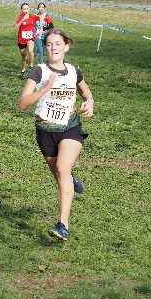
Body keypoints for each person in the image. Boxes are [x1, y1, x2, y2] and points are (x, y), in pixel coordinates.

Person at [19, 28, 93, 241]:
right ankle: (70, 178)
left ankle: (63, 225)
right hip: (45, 131)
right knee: (61, 175)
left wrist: (90, 101)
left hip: (70, 128)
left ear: (66, 47)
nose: (53, 48)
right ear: (45, 47)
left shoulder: (73, 71)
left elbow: (85, 90)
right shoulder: (39, 72)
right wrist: (45, 88)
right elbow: (23, 104)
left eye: (58, 44)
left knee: (62, 169)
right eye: (50, 44)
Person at [15, 3, 39, 77]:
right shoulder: (20, 17)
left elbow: (39, 18)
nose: (26, 10)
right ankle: (23, 70)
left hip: (30, 38)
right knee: (24, 57)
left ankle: (31, 66)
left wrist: (40, 29)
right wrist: (22, 20)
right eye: (24, 9)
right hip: (22, 39)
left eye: (27, 8)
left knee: (31, 51)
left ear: (29, 9)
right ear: (21, 10)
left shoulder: (32, 17)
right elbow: (16, 28)